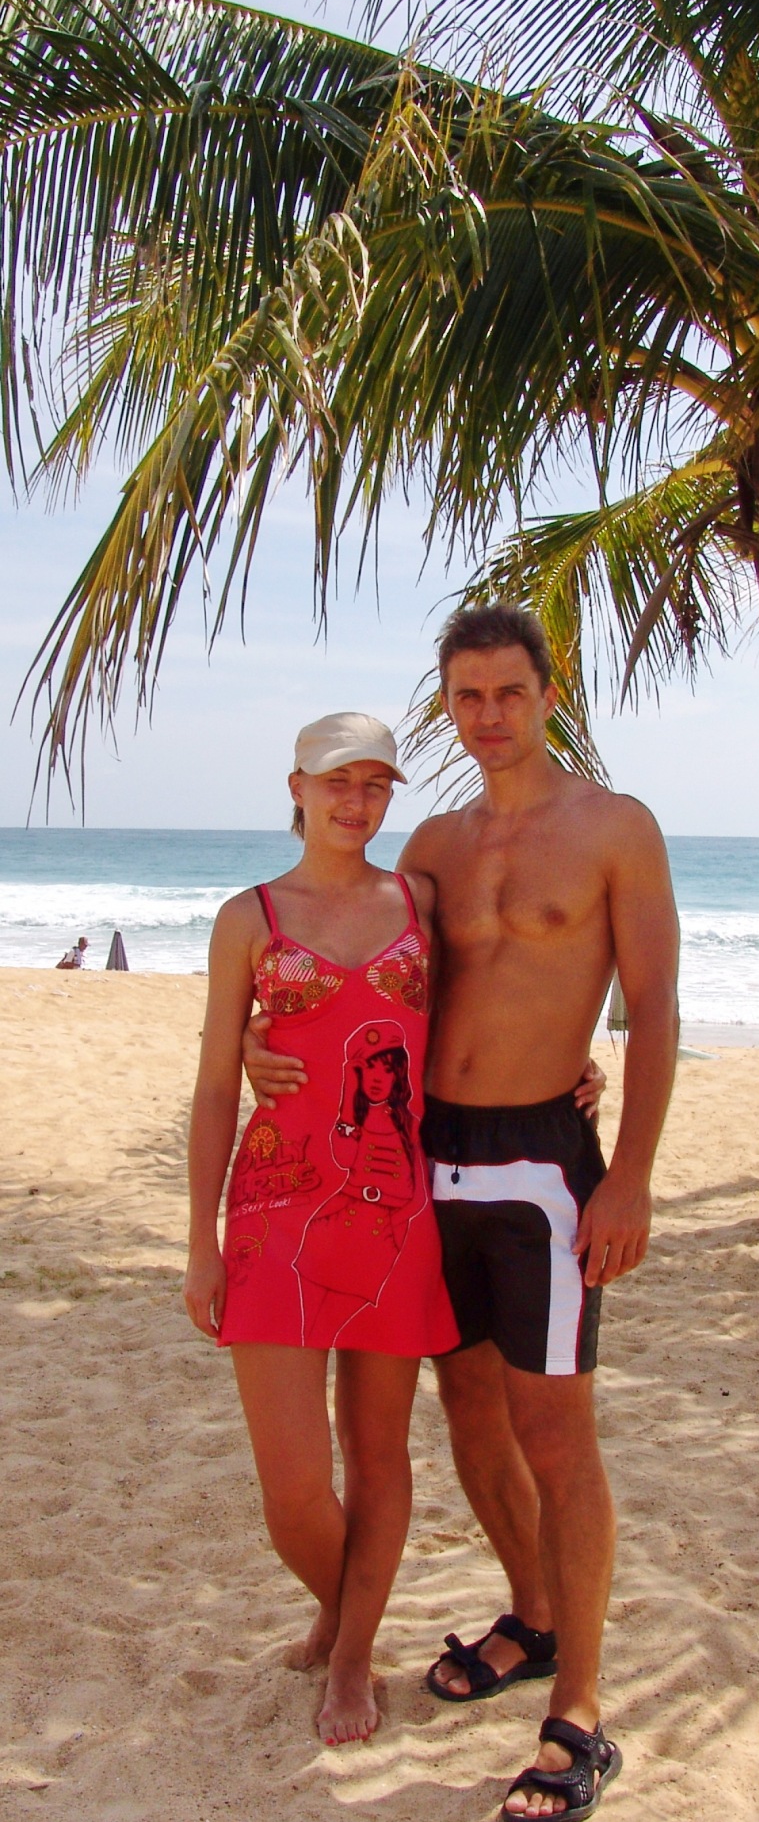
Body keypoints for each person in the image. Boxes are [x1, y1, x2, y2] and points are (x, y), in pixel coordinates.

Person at [244, 605, 680, 1822]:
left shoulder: (614, 828)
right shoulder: (431, 845)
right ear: (448, 705)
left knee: (556, 1431)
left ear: (549, 693)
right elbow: (352, 952)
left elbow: (653, 1005)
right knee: (470, 1414)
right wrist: (260, 1038)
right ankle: (532, 1617)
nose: (488, 714)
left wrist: (630, 1173)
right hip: (425, 1160)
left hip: (543, 1165)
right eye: (466, 695)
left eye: (508, 691)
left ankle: (579, 1710)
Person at [184, 712, 460, 1748]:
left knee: (377, 1454)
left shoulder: (419, 902)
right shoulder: (248, 918)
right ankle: (347, 1613)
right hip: (271, 1207)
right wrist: (200, 1239)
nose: (357, 801)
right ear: (296, 787)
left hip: (400, 1210)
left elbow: (504, 993)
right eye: (338, 781)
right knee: (294, 1485)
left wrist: (573, 1063)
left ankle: (350, 1654)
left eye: (377, 784)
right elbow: (218, 1084)